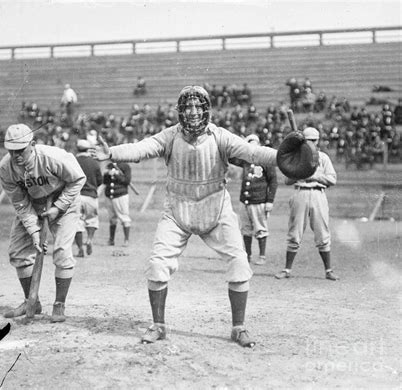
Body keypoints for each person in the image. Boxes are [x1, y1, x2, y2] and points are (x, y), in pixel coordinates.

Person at [92, 86, 284, 348]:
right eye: (187, 107)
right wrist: (112, 153)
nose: (193, 112)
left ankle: (238, 327)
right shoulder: (170, 136)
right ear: (180, 111)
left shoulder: (220, 136)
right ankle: (158, 325)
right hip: (177, 211)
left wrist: (284, 157)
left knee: (239, 263)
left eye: (198, 106)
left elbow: (253, 153)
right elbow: (141, 148)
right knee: (158, 265)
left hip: (215, 208)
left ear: (206, 109)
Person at [0, 124, 86, 322]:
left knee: (62, 251)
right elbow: (20, 203)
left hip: (64, 201)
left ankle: (59, 305)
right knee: (18, 252)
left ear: (33, 144)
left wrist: (59, 207)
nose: (16, 156)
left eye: (21, 150)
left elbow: (78, 179)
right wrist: (34, 231)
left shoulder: (53, 157)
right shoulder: (5, 169)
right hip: (32, 204)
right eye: (12, 151)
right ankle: (32, 301)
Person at [274, 127, 339, 281]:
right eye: (308, 140)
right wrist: (299, 172)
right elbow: (287, 180)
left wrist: (315, 176)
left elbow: (332, 179)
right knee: (294, 233)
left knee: (322, 233)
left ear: (318, 141)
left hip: (318, 193)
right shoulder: (297, 156)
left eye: (313, 140)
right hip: (300, 193)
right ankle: (287, 269)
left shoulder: (323, 157)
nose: (311, 143)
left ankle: (328, 270)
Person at [230, 134, 278, 266]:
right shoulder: (244, 160)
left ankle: (262, 255)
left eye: (255, 144)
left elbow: (273, 181)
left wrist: (270, 201)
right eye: (250, 144)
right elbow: (231, 159)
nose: (253, 147)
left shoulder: (266, 161)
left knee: (260, 228)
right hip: (245, 200)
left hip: (259, 200)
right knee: (245, 229)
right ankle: (248, 254)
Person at [74, 139, 103, 257]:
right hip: (91, 196)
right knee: (92, 220)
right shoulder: (94, 163)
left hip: (76, 196)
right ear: (88, 149)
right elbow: (100, 181)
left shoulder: (73, 161)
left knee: (77, 223)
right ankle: (89, 239)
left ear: (77, 149)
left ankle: (80, 248)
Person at [103, 161, 132, 247]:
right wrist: (107, 174)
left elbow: (127, 181)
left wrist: (116, 174)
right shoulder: (109, 165)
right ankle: (111, 240)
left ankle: (126, 240)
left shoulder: (125, 166)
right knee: (112, 218)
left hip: (120, 195)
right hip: (109, 195)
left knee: (124, 217)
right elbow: (105, 182)